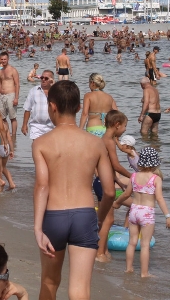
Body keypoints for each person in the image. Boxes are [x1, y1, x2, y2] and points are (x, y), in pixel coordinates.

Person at [32, 80, 115, 300]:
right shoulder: (96, 143)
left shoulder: (41, 143)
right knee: (79, 289)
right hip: (84, 215)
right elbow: (108, 191)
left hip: (53, 216)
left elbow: (42, 185)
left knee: (49, 282)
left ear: (52, 106)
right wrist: (98, 220)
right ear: (79, 108)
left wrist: (38, 228)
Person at [113, 146, 170, 277]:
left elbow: (127, 194)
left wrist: (117, 203)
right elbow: (160, 198)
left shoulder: (134, 176)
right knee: (144, 245)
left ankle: (128, 268)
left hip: (134, 210)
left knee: (132, 242)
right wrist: (167, 215)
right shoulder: (156, 179)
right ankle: (144, 273)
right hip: (147, 213)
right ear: (154, 162)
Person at [94, 110, 131, 263]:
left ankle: (104, 249)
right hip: (104, 183)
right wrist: (133, 176)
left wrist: (118, 181)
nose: (125, 130)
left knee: (105, 219)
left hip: (101, 181)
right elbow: (115, 165)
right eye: (124, 126)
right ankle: (99, 253)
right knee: (108, 220)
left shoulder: (104, 139)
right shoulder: (109, 140)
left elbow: (107, 165)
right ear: (117, 125)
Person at [79, 73, 117, 137]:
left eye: (89, 83)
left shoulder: (88, 96)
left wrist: (80, 130)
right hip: (106, 129)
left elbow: (84, 114)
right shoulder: (109, 97)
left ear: (92, 83)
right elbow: (116, 113)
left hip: (93, 128)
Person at [20, 70, 54, 140]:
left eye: (46, 78)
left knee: (49, 149)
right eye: (42, 77)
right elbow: (27, 109)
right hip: (36, 126)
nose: (43, 80)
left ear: (51, 80)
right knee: (37, 149)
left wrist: (54, 85)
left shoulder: (56, 91)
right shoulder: (33, 90)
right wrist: (24, 125)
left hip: (52, 126)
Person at [0, 51, 20, 137]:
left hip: (11, 95)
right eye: (2, 59)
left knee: (12, 117)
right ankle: (6, 135)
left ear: (8, 59)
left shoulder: (13, 70)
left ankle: (13, 136)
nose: (3, 61)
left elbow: (17, 84)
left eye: (5, 59)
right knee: (2, 118)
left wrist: (16, 98)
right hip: (1, 96)